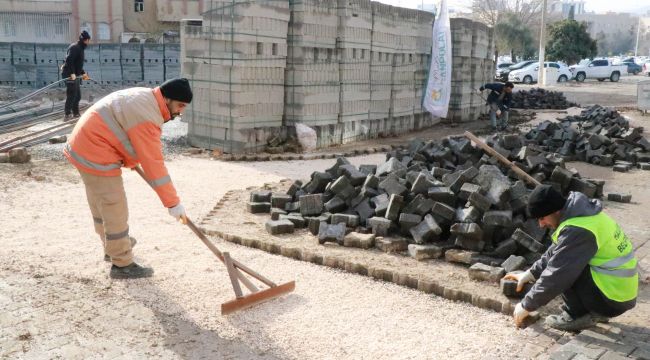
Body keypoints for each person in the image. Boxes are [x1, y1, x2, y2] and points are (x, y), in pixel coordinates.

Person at [64, 78, 193, 279]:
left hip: (84, 145)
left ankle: (112, 247)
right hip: (96, 151)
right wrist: (173, 203)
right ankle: (122, 264)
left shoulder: (146, 98)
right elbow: (154, 165)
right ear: (167, 99)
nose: (180, 112)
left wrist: (130, 160)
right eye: (179, 106)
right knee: (114, 206)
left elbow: (122, 129)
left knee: (101, 204)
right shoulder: (147, 115)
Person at [506, 185, 638, 331]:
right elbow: (558, 250)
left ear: (555, 211)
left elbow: (557, 275)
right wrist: (530, 273)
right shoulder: (582, 214)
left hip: (613, 299)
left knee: (566, 269)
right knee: (567, 260)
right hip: (619, 292)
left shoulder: (579, 230)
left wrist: (526, 305)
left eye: (542, 218)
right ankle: (594, 311)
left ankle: (575, 316)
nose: (541, 224)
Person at [61, 30, 92, 120]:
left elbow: (77, 64)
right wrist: (72, 73)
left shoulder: (81, 49)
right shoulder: (75, 47)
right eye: (88, 40)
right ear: (84, 40)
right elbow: (69, 61)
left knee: (77, 95)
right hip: (68, 73)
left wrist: (83, 73)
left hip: (75, 74)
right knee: (71, 94)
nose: (88, 42)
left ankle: (76, 113)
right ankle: (67, 114)